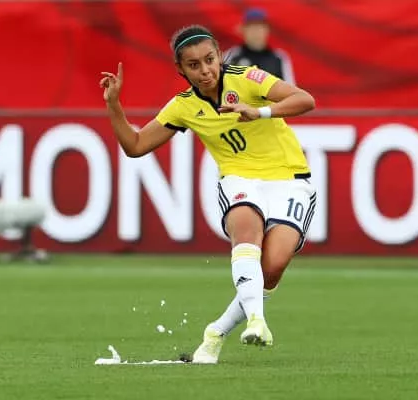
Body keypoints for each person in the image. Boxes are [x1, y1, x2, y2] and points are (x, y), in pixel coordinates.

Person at [100, 24, 316, 364]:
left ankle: (216, 332)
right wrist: (114, 105)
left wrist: (258, 111)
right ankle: (257, 321)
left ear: (219, 55)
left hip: (290, 178)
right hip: (239, 178)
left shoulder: (248, 78)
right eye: (194, 65)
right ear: (181, 69)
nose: (205, 70)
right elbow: (136, 146)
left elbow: (305, 100)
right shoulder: (183, 106)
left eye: (210, 60)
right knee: (246, 231)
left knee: (273, 266)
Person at [224, 8, 295, 85]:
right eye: (251, 28)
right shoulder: (231, 56)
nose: (256, 32)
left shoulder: (279, 58)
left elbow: (291, 87)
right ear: (243, 30)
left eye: (260, 27)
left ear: (267, 29)